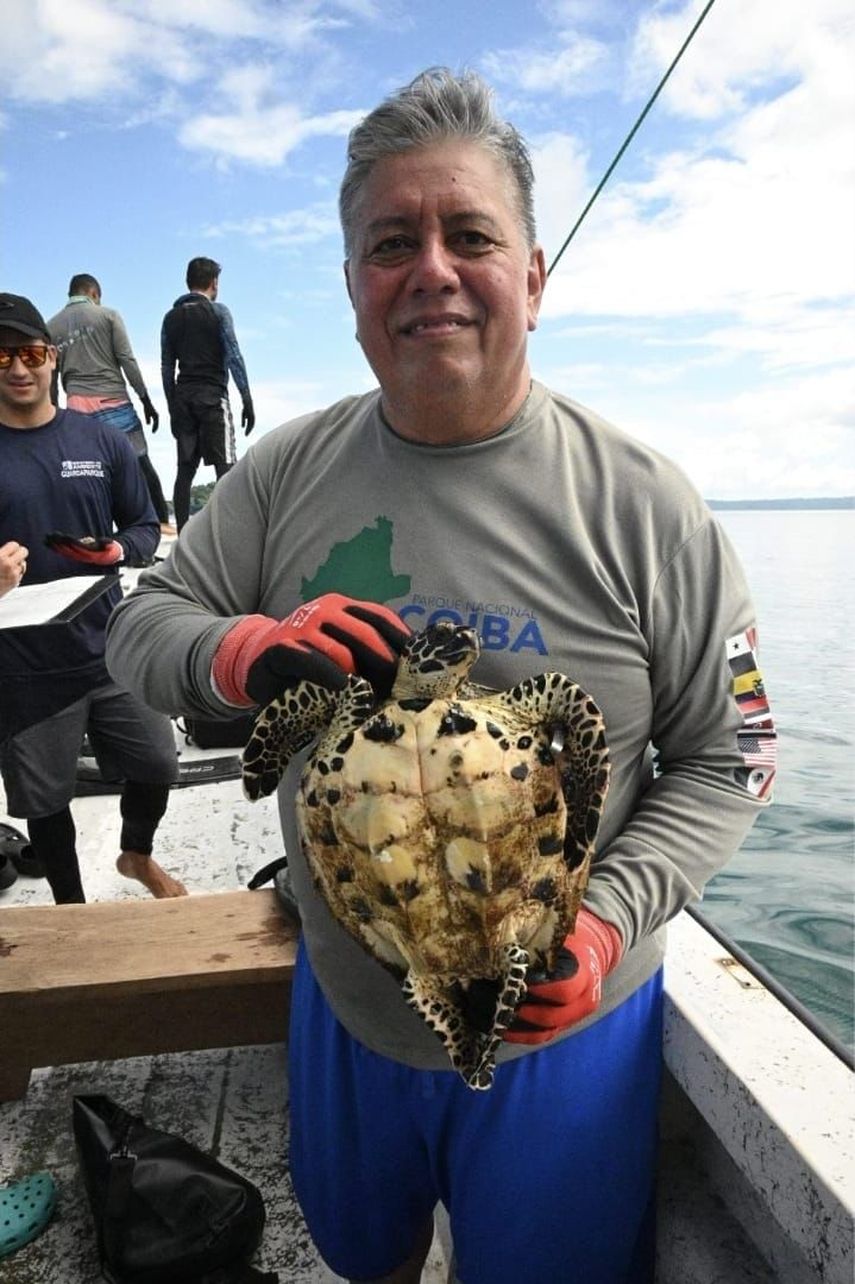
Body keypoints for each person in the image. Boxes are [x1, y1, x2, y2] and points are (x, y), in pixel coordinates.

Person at [106, 69, 777, 1284]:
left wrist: (607, 919)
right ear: (355, 285)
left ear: (532, 273)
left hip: (559, 1026)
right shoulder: (277, 476)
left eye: (471, 234)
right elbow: (142, 622)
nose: (431, 268)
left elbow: (741, 755)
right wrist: (236, 651)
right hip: (347, 1008)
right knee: (366, 1255)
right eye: (389, 242)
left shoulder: (654, 511)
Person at [0, 292, 186, 904]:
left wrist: (116, 552)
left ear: (53, 357)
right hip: (24, 668)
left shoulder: (101, 441)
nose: (19, 369)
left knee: (158, 760)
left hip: (111, 648)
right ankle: (71, 910)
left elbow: (144, 524)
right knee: (46, 801)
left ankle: (136, 854)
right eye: (2, 358)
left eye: (29, 353)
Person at [48, 274, 174, 535]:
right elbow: (127, 359)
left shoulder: (51, 327)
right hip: (114, 402)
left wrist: (52, 416)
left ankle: (97, 534)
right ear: (94, 293)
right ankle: (161, 523)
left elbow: (51, 378)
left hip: (77, 407)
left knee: (91, 472)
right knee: (141, 464)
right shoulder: (108, 316)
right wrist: (146, 400)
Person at [160, 257, 255, 532]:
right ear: (214, 283)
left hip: (184, 397)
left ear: (188, 282)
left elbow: (167, 367)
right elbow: (234, 355)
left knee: (184, 472)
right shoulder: (219, 313)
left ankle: (183, 538)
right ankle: (228, 534)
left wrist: (171, 405)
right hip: (213, 397)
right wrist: (246, 398)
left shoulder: (171, 318)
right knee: (226, 469)